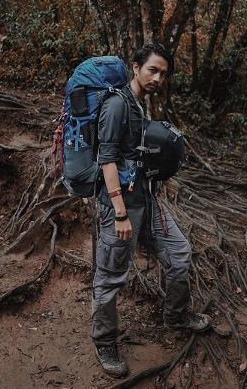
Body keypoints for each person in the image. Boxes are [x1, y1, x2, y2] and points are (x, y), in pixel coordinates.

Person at [92, 42, 211, 377]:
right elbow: (107, 160)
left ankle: (175, 316)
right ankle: (105, 342)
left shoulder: (138, 106)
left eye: (163, 73)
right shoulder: (117, 104)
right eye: (152, 69)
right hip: (120, 206)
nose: (158, 77)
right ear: (136, 67)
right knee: (110, 277)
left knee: (179, 252)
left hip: (145, 200)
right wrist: (119, 212)